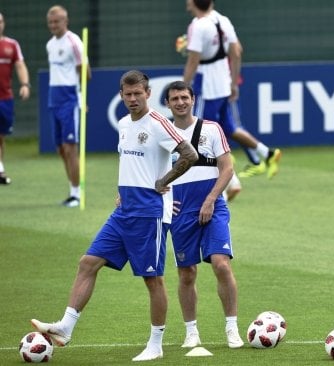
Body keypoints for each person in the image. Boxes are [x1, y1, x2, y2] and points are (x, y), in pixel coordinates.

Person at [31, 70, 199, 361]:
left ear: (148, 93)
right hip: (123, 211)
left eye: (138, 93)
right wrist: (123, 189)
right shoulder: (123, 123)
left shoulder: (159, 122)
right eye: (128, 94)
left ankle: (155, 345)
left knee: (152, 279)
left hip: (149, 212)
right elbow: (130, 160)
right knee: (88, 263)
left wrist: (164, 181)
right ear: (121, 94)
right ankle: (66, 327)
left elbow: (190, 154)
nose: (133, 99)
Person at [163, 81, 244, 349]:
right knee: (186, 273)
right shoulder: (163, 133)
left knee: (221, 263)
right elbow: (151, 172)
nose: (180, 102)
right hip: (180, 210)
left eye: (184, 97)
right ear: (168, 103)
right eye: (174, 98)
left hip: (213, 205)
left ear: (193, 99)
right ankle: (191, 331)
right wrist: (164, 200)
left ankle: (232, 328)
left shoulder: (211, 129)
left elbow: (228, 169)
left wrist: (211, 199)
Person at [182, 0, 281, 180]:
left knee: (199, 133)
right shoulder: (222, 20)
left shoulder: (198, 26)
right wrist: (233, 82)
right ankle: (266, 153)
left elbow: (193, 60)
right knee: (229, 127)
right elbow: (236, 52)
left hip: (207, 86)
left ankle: (229, 182)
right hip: (223, 83)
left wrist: (183, 86)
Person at [46, 5, 91, 207]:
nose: (54, 25)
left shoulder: (74, 42)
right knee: (60, 149)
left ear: (66, 21)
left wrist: (80, 99)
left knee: (70, 147)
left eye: (57, 21)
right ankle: (72, 190)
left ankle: (77, 194)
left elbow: (86, 73)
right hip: (53, 99)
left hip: (69, 99)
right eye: (51, 22)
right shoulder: (50, 44)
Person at [0, 12, 30, 185]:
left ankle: (0, 167)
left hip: (5, 98)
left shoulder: (11, 45)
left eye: (1, 21)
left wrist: (25, 84)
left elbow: (20, 65)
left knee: (1, 136)